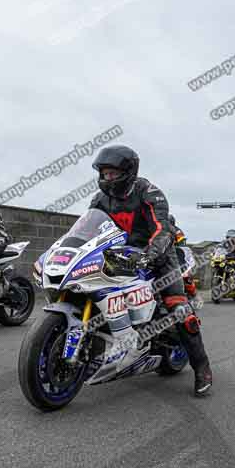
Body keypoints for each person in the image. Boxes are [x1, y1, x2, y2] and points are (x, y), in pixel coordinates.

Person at [90, 144, 213, 396]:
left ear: (128, 171)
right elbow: (89, 228)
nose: (107, 178)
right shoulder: (100, 199)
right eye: (104, 174)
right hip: (118, 258)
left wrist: (150, 254)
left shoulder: (149, 192)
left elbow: (162, 229)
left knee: (179, 310)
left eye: (112, 173)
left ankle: (202, 368)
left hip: (157, 258)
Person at [169, 215, 197, 299]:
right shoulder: (157, 229)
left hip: (176, 254)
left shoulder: (178, 231)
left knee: (185, 274)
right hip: (162, 254)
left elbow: (182, 246)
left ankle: (192, 292)